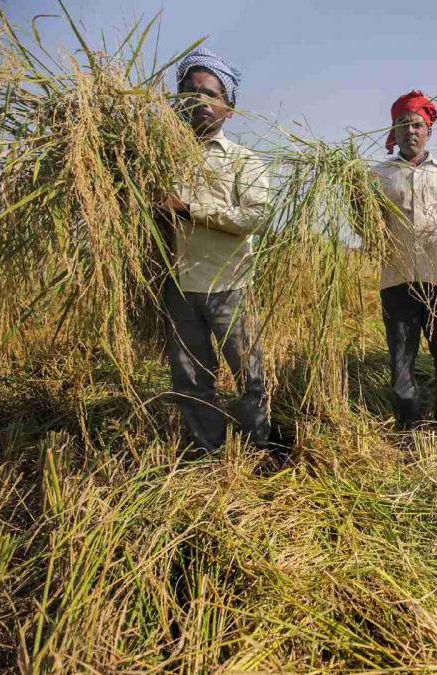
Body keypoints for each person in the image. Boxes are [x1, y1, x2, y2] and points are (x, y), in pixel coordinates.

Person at [156, 48, 272, 452]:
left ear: (229, 108)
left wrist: (190, 210)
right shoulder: (159, 159)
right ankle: (210, 451)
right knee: (189, 378)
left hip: (231, 285)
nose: (201, 101)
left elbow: (254, 218)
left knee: (250, 374)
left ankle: (257, 448)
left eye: (211, 94)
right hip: (179, 285)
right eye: (191, 92)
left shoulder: (245, 161)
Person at [373, 90, 437, 429]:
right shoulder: (378, 175)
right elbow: (369, 231)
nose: (410, 132)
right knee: (401, 358)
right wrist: (355, 201)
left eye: (417, 125)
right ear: (393, 132)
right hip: (397, 279)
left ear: (429, 130)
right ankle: (409, 423)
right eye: (402, 125)